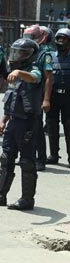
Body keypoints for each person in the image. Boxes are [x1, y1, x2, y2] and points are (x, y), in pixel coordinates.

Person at [0, 38, 43, 211]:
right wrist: (4, 120)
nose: (17, 56)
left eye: (21, 52)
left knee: (27, 160)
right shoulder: (15, 72)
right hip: (14, 120)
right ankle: (0, 195)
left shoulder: (33, 70)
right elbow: (13, 97)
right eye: (16, 52)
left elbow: (35, 79)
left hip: (28, 122)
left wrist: (21, 73)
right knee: (6, 157)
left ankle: (27, 199)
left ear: (29, 55)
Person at [23, 25, 54, 171]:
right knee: (24, 126)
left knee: (37, 128)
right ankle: (27, 156)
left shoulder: (44, 54)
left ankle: (40, 158)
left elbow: (49, 77)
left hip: (37, 93)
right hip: (25, 92)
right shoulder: (27, 51)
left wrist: (46, 99)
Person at [47, 28, 70, 166]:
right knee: (51, 126)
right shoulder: (50, 56)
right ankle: (53, 155)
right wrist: (45, 99)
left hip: (68, 97)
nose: (60, 42)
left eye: (64, 39)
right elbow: (46, 78)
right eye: (58, 38)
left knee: (68, 127)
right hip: (53, 96)